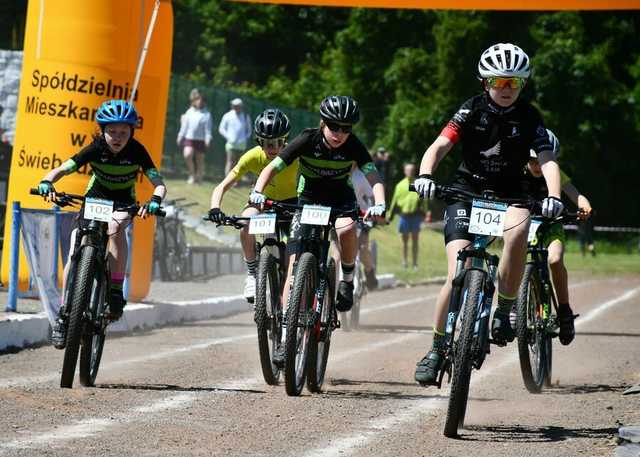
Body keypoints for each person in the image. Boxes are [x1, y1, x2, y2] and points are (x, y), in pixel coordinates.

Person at [413, 43, 564, 386]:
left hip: (511, 194)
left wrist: (554, 195)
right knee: (455, 274)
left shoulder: (529, 115)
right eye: (499, 81)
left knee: (517, 233)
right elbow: (440, 145)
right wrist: (425, 175)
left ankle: (505, 309)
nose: (506, 89)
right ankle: (436, 349)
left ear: (523, 84)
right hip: (466, 192)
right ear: (485, 82)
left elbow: (546, 159)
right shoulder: (470, 110)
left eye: (514, 82)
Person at [250, 95, 386, 365]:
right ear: (323, 123)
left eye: (346, 128)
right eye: (334, 126)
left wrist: (381, 203)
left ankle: (347, 279)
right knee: (292, 268)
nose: (339, 134)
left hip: (340, 199)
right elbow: (272, 168)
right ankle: (287, 338)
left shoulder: (354, 146)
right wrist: (257, 191)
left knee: (347, 231)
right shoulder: (306, 139)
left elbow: (373, 177)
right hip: (309, 199)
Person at [37, 99, 167, 349]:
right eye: (112, 132)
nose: (117, 137)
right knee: (77, 239)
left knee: (116, 229)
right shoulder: (95, 148)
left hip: (122, 200)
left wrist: (154, 200)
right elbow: (64, 168)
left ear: (131, 132)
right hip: (95, 196)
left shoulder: (137, 151)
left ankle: (116, 289)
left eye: (123, 132)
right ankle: (64, 314)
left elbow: (158, 182)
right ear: (102, 130)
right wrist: (46, 180)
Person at [209, 109, 297, 303]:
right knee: (245, 221)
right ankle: (251, 273)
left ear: (286, 140)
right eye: (267, 143)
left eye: (278, 142)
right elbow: (222, 186)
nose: (273, 148)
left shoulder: (295, 155)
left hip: (292, 204)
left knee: (296, 247)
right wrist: (215, 208)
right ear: (259, 142)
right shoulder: (252, 156)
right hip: (262, 202)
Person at [523, 129, 591, 345]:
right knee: (512, 260)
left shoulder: (555, 174)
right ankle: (513, 307)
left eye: (541, 160)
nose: (536, 165)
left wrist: (583, 204)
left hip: (551, 226)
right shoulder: (516, 172)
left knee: (554, 259)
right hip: (523, 226)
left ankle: (564, 311)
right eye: (532, 160)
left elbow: (574, 193)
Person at [388, 163, 427, 270]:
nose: (410, 172)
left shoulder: (418, 184)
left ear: (414, 171)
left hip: (415, 216)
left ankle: (415, 263)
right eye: (407, 170)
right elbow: (394, 202)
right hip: (404, 216)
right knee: (404, 241)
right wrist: (390, 216)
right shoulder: (400, 185)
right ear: (405, 172)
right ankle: (404, 261)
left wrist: (426, 212)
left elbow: (424, 200)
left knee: (415, 241)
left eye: (411, 170)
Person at [350, 164, 379, 289]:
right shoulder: (337, 171)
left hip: (362, 215)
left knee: (362, 248)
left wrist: (375, 210)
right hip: (341, 214)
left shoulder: (360, 176)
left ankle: (369, 271)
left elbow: (372, 196)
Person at [177, 88, 212, 184]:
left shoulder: (207, 114)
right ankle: (192, 175)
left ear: (204, 102)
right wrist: (180, 136)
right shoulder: (189, 111)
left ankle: (199, 177)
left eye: (201, 100)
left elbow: (208, 130)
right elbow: (184, 126)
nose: (199, 102)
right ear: (195, 101)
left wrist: (207, 139)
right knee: (187, 155)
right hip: (189, 138)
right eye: (198, 100)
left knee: (199, 160)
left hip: (200, 140)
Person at [218, 98, 252, 175]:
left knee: (239, 163)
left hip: (242, 145)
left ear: (241, 106)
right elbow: (221, 129)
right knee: (230, 161)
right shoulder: (227, 115)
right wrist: (228, 137)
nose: (235, 107)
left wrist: (244, 138)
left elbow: (249, 130)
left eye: (237, 106)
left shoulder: (246, 116)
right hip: (230, 144)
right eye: (234, 105)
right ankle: (226, 180)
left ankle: (236, 181)